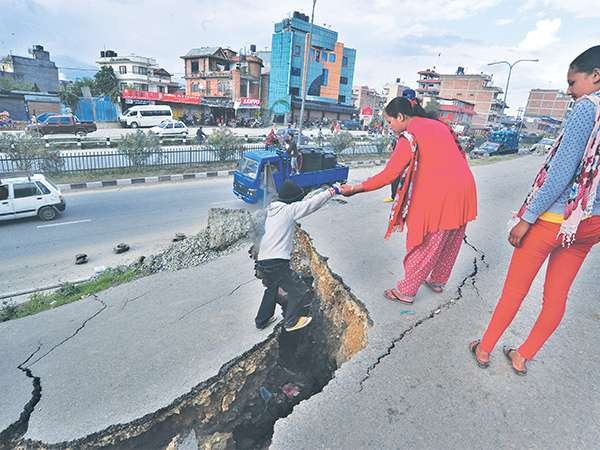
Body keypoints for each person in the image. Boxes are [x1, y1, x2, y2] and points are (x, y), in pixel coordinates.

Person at [470, 46, 600, 375]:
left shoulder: (589, 107)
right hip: (591, 224)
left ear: (596, 77)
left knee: (516, 289)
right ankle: (522, 355)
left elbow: (561, 172)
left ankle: (485, 349)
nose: (569, 91)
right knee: (556, 296)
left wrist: (527, 218)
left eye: (572, 82)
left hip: (557, 217)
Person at [340, 96, 477, 304]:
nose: (389, 126)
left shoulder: (410, 136)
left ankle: (407, 291)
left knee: (427, 243)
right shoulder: (440, 125)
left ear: (401, 117)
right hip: (465, 187)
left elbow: (390, 174)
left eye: (389, 121)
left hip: (441, 194)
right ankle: (438, 280)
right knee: (451, 238)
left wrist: (356, 188)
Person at [253, 180, 340, 331]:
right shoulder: (288, 210)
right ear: (292, 201)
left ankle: (261, 320)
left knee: (272, 287)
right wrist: (332, 191)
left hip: (263, 259)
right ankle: (291, 322)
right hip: (276, 261)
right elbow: (311, 204)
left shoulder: (271, 209)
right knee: (297, 290)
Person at [384, 89, 418, 203]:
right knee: (395, 175)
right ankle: (394, 195)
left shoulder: (415, 116)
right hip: (402, 147)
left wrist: (357, 188)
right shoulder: (400, 111)